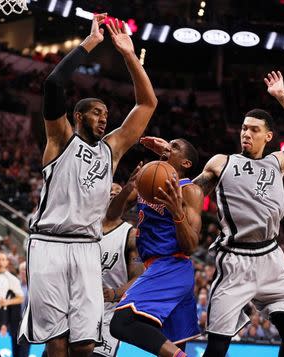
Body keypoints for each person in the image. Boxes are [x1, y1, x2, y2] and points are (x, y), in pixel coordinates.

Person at [18, 13, 157, 357]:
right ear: (78, 116)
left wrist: (128, 55)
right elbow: (52, 84)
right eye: (96, 112)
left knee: (85, 343)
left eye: (106, 113)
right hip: (49, 243)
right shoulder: (60, 139)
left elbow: (147, 104)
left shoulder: (112, 149)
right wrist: (90, 44)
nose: (104, 117)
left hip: (86, 248)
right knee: (57, 340)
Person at [192, 71, 284, 357]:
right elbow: (191, 196)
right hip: (234, 260)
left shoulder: (278, 163)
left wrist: (281, 96)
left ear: (269, 136)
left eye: (254, 130)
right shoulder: (222, 163)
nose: (246, 133)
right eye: (244, 128)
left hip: (271, 259)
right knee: (218, 345)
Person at [109, 138, 204, 357]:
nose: (168, 148)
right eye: (168, 144)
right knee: (174, 346)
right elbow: (112, 214)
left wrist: (176, 213)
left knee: (122, 323)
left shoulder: (189, 191)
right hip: (155, 266)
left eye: (176, 147)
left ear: (186, 163)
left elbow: (190, 246)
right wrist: (129, 187)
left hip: (173, 265)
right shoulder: (148, 181)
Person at [93, 181, 144, 357]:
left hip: (107, 316)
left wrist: (116, 293)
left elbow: (140, 277)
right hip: (75, 309)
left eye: (118, 191)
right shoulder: (82, 227)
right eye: (110, 190)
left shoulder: (130, 235)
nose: (114, 192)